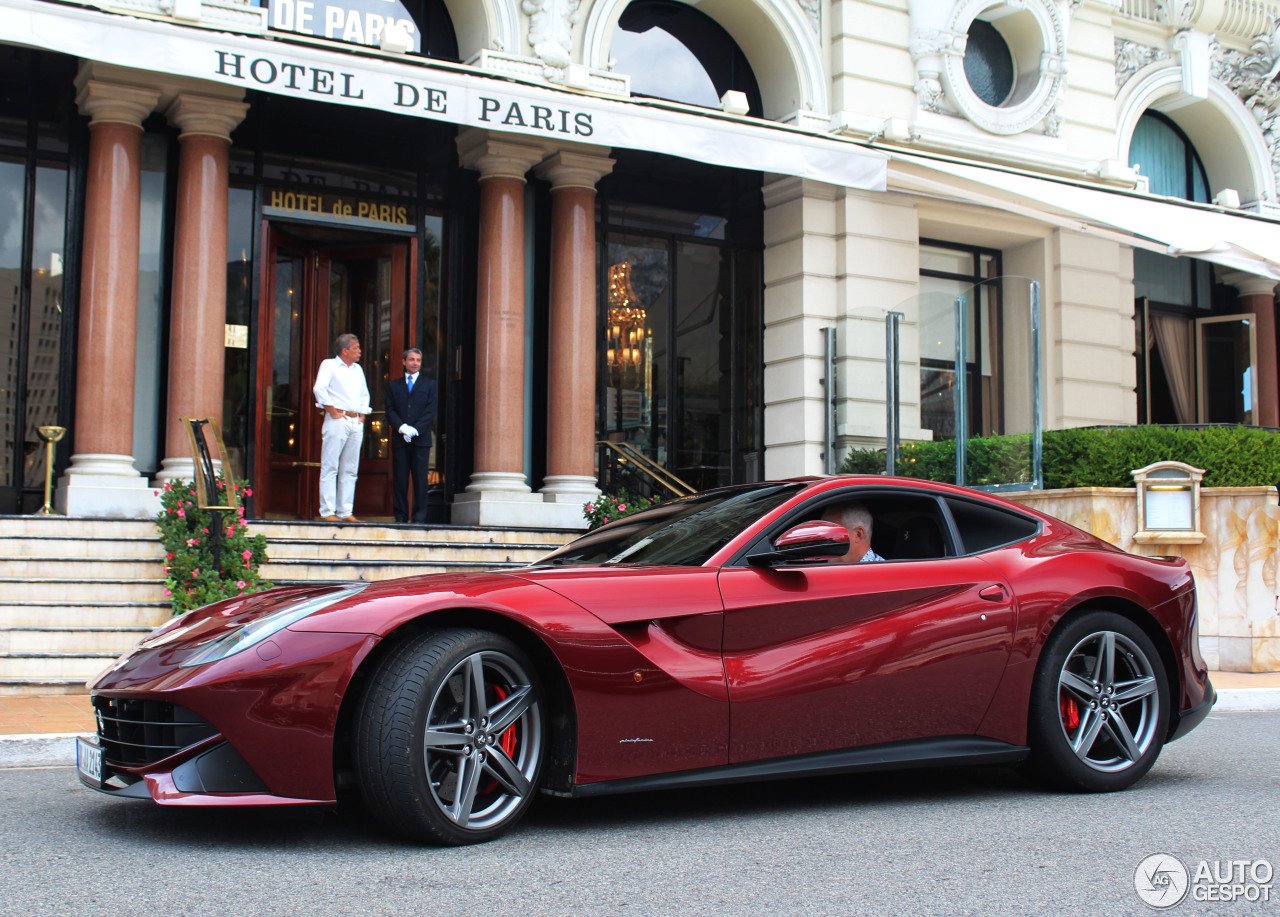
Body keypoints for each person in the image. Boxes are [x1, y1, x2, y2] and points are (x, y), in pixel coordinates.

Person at [313, 333, 369, 522]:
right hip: (338, 419)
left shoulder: (358, 370)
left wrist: (362, 415)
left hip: (355, 421)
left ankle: (345, 511)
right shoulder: (329, 365)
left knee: (350, 468)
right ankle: (327, 511)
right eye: (356, 347)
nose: (359, 351)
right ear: (345, 350)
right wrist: (333, 411)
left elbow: (364, 395)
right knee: (330, 466)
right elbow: (319, 389)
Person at [384, 347, 438, 523]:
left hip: (421, 441)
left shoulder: (429, 384)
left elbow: (430, 410)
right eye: (412, 360)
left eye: (418, 360)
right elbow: (390, 410)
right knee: (400, 480)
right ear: (404, 361)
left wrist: (415, 429)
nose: (415, 363)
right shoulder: (393, 385)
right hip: (400, 440)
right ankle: (400, 517)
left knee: (420, 481)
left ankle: (419, 518)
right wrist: (402, 428)